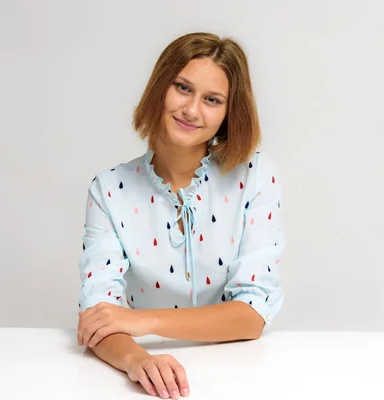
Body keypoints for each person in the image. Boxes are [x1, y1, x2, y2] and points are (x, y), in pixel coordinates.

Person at [76, 32, 285, 399]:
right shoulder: (109, 190)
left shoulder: (255, 177)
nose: (192, 110)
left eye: (212, 100)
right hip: (149, 381)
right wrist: (137, 360)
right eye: (183, 88)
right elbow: (99, 315)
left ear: (227, 112)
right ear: (160, 87)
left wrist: (144, 321)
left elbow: (252, 314)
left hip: (243, 375)